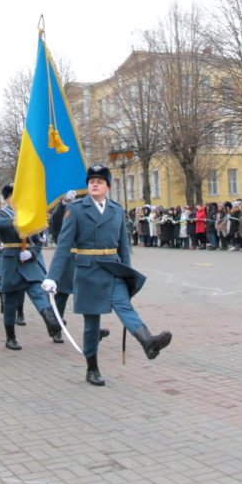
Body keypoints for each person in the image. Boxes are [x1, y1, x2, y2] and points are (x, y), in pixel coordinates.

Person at [44, 164, 172, 387]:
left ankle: (148, 342)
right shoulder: (76, 209)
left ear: (108, 187)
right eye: (91, 181)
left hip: (113, 269)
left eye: (99, 181)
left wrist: (128, 274)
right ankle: (92, 368)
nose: (94, 184)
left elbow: (124, 245)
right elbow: (64, 245)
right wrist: (52, 276)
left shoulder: (116, 210)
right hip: (86, 271)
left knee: (124, 306)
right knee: (92, 323)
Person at [0, 183, 62, 350]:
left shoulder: (30, 216)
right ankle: (10, 337)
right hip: (11, 263)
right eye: (14, 197)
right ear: (8, 199)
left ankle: (50, 321)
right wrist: (19, 220)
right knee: (10, 302)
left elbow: (37, 242)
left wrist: (32, 253)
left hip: (28, 262)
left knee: (39, 292)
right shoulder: (1, 215)